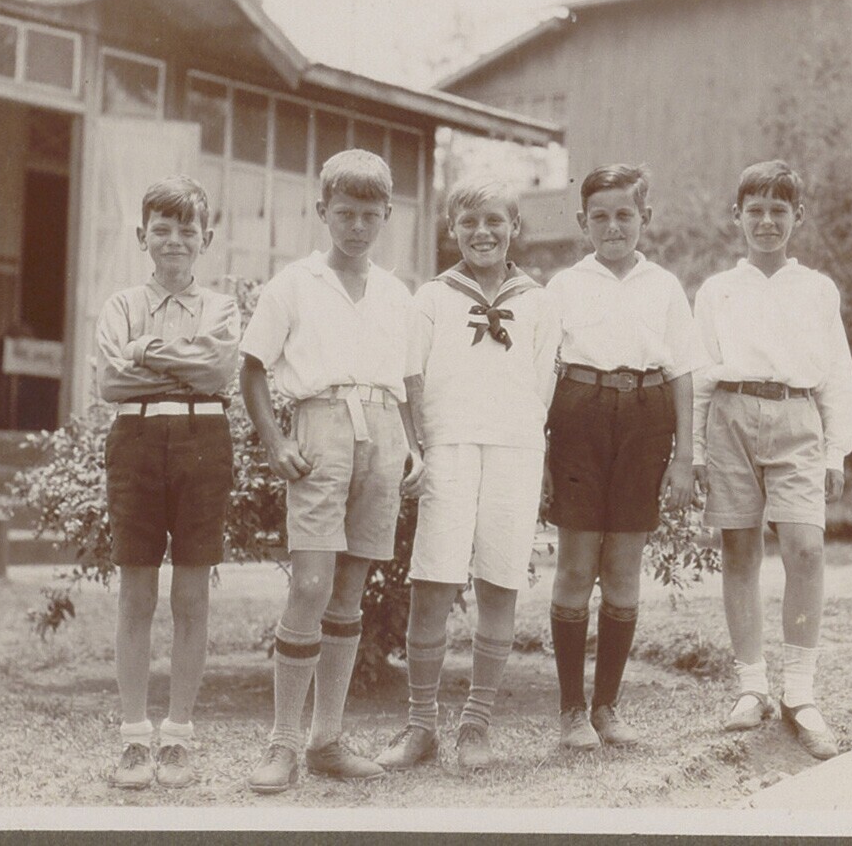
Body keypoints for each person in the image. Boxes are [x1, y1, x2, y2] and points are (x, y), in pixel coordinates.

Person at [240, 149, 424, 794]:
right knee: (311, 584)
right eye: (345, 214)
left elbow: (409, 379)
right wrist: (274, 440)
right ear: (323, 211)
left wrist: (416, 447)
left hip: (384, 430)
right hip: (320, 424)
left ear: (387, 215)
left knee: (349, 590)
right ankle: (283, 742)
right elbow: (252, 368)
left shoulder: (396, 293)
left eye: (370, 215)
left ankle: (326, 740)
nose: (357, 227)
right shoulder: (295, 283)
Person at [375, 180, 561, 773]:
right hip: (448, 449)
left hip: (515, 451)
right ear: (451, 229)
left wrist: (536, 454)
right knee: (434, 580)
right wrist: (416, 450)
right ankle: (421, 725)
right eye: (469, 223)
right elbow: (409, 380)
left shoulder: (538, 302)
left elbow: (544, 389)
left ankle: (476, 724)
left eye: (494, 221)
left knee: (499, 581)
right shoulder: (431, 298)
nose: (482, 233)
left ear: (514, 227)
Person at [692, 159, 852, 760]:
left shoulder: (816, 288)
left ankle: (800, 692)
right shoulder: (717, 289)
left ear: (798, 216)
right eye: (755, 210)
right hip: (730, 417)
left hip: (797, 417)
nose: (767, 222)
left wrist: (837, 449)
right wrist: (694, 450)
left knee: (805, 548)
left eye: (779, 211)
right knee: (739, 550)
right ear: (737, 216)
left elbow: (837, 373)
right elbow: (699, 373)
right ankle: (752, 686)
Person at [544, 164, 707, 750]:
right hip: (578, 415)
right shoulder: (564, 286)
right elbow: (542, 373)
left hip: (645, 417)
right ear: (582, 221)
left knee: (622, 567)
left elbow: (683, 371)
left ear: (645, 218)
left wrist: (685, 456)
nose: (613, 227)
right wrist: (542, 455)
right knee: (575, 565)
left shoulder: (664, 286)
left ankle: (607, 707)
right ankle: (571, 711)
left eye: (624, 215)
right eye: (600, 216)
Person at [95, 174, 241, 790]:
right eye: (162, 229)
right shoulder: (120, 305)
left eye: (187, 229)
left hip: (204, 440)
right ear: (142, 236)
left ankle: (178, 734)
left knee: (191, 595)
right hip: (135, 441)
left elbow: (218, 372)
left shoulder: (221, 308)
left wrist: (144, 352)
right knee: (136, 593)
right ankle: (134, 736)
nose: (174, 240)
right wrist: (184, 363)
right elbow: (111, 380)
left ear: (205, 238)